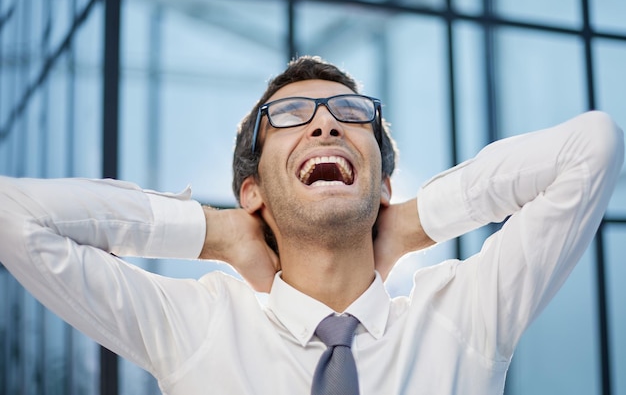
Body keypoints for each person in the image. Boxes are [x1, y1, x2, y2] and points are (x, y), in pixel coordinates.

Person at [0, 55, 623, 395]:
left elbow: (592, 148)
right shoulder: (195, 328)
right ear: (253, 192)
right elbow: (14, 217)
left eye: (351, 114)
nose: (325, 125)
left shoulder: (464, 318)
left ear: (381, 183)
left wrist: (414, 222)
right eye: (292, 116)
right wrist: (213, 234)